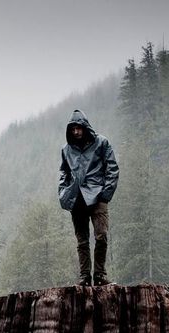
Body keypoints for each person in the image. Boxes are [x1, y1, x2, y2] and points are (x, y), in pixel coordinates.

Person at [57, 109, 119, 286]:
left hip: (98, 196)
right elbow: (64, 173)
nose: (76, 131)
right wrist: (64, 193)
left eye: (79, 128)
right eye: (73, 129)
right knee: (82, 241)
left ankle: (100, 275)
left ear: (85, 127)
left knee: (101, 236)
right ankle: (85, 277)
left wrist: (106, 194)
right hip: (77, 199)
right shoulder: (66, 149)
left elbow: (112, 168)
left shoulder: (101, 143)